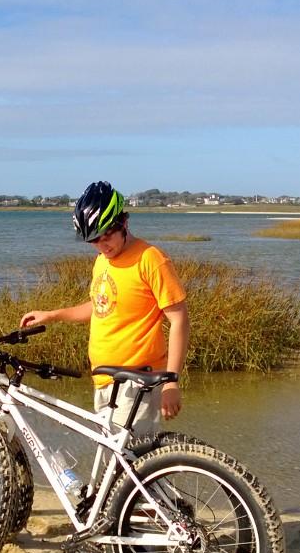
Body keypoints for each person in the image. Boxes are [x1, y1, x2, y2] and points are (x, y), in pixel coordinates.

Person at [20, 180, 190, 439]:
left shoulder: (150, 259)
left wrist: (171, 382)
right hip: (104, 381)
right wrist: (52, 315)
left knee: (131, 467)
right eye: (93, 240)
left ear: (123, 223)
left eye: (106, 236)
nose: (101, 245)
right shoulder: (102, 261)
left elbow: (179, 321)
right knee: (117, 471)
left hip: (136, 383)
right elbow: (99, 307)